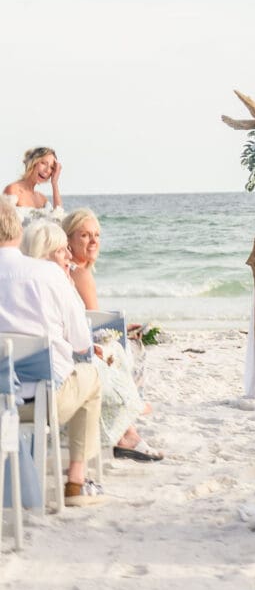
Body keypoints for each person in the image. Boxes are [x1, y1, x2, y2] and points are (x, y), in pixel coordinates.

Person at [20, 219, 160, 464]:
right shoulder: (59, 283)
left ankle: (129, 422)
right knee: (97, 371)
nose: (68, 255)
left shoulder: (15, 286)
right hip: (51, 391)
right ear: (47, 254)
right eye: (62, 250)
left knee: (106, 358)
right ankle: (79, 474)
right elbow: (81, 343)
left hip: (13, 392)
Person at [0, 201, 105, 506]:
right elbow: (82, 342)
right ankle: (76, 481)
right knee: (93, 376)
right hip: (42, 401)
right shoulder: (47, 274)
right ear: (18, 231)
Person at [3, 147, 64, 218]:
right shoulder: (12, 190)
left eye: (52, 168)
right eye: (43, 163)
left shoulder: (43, 199)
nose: (47, 170)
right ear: (33, 162)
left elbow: (59, 218)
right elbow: (5, 225)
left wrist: (54, 183)